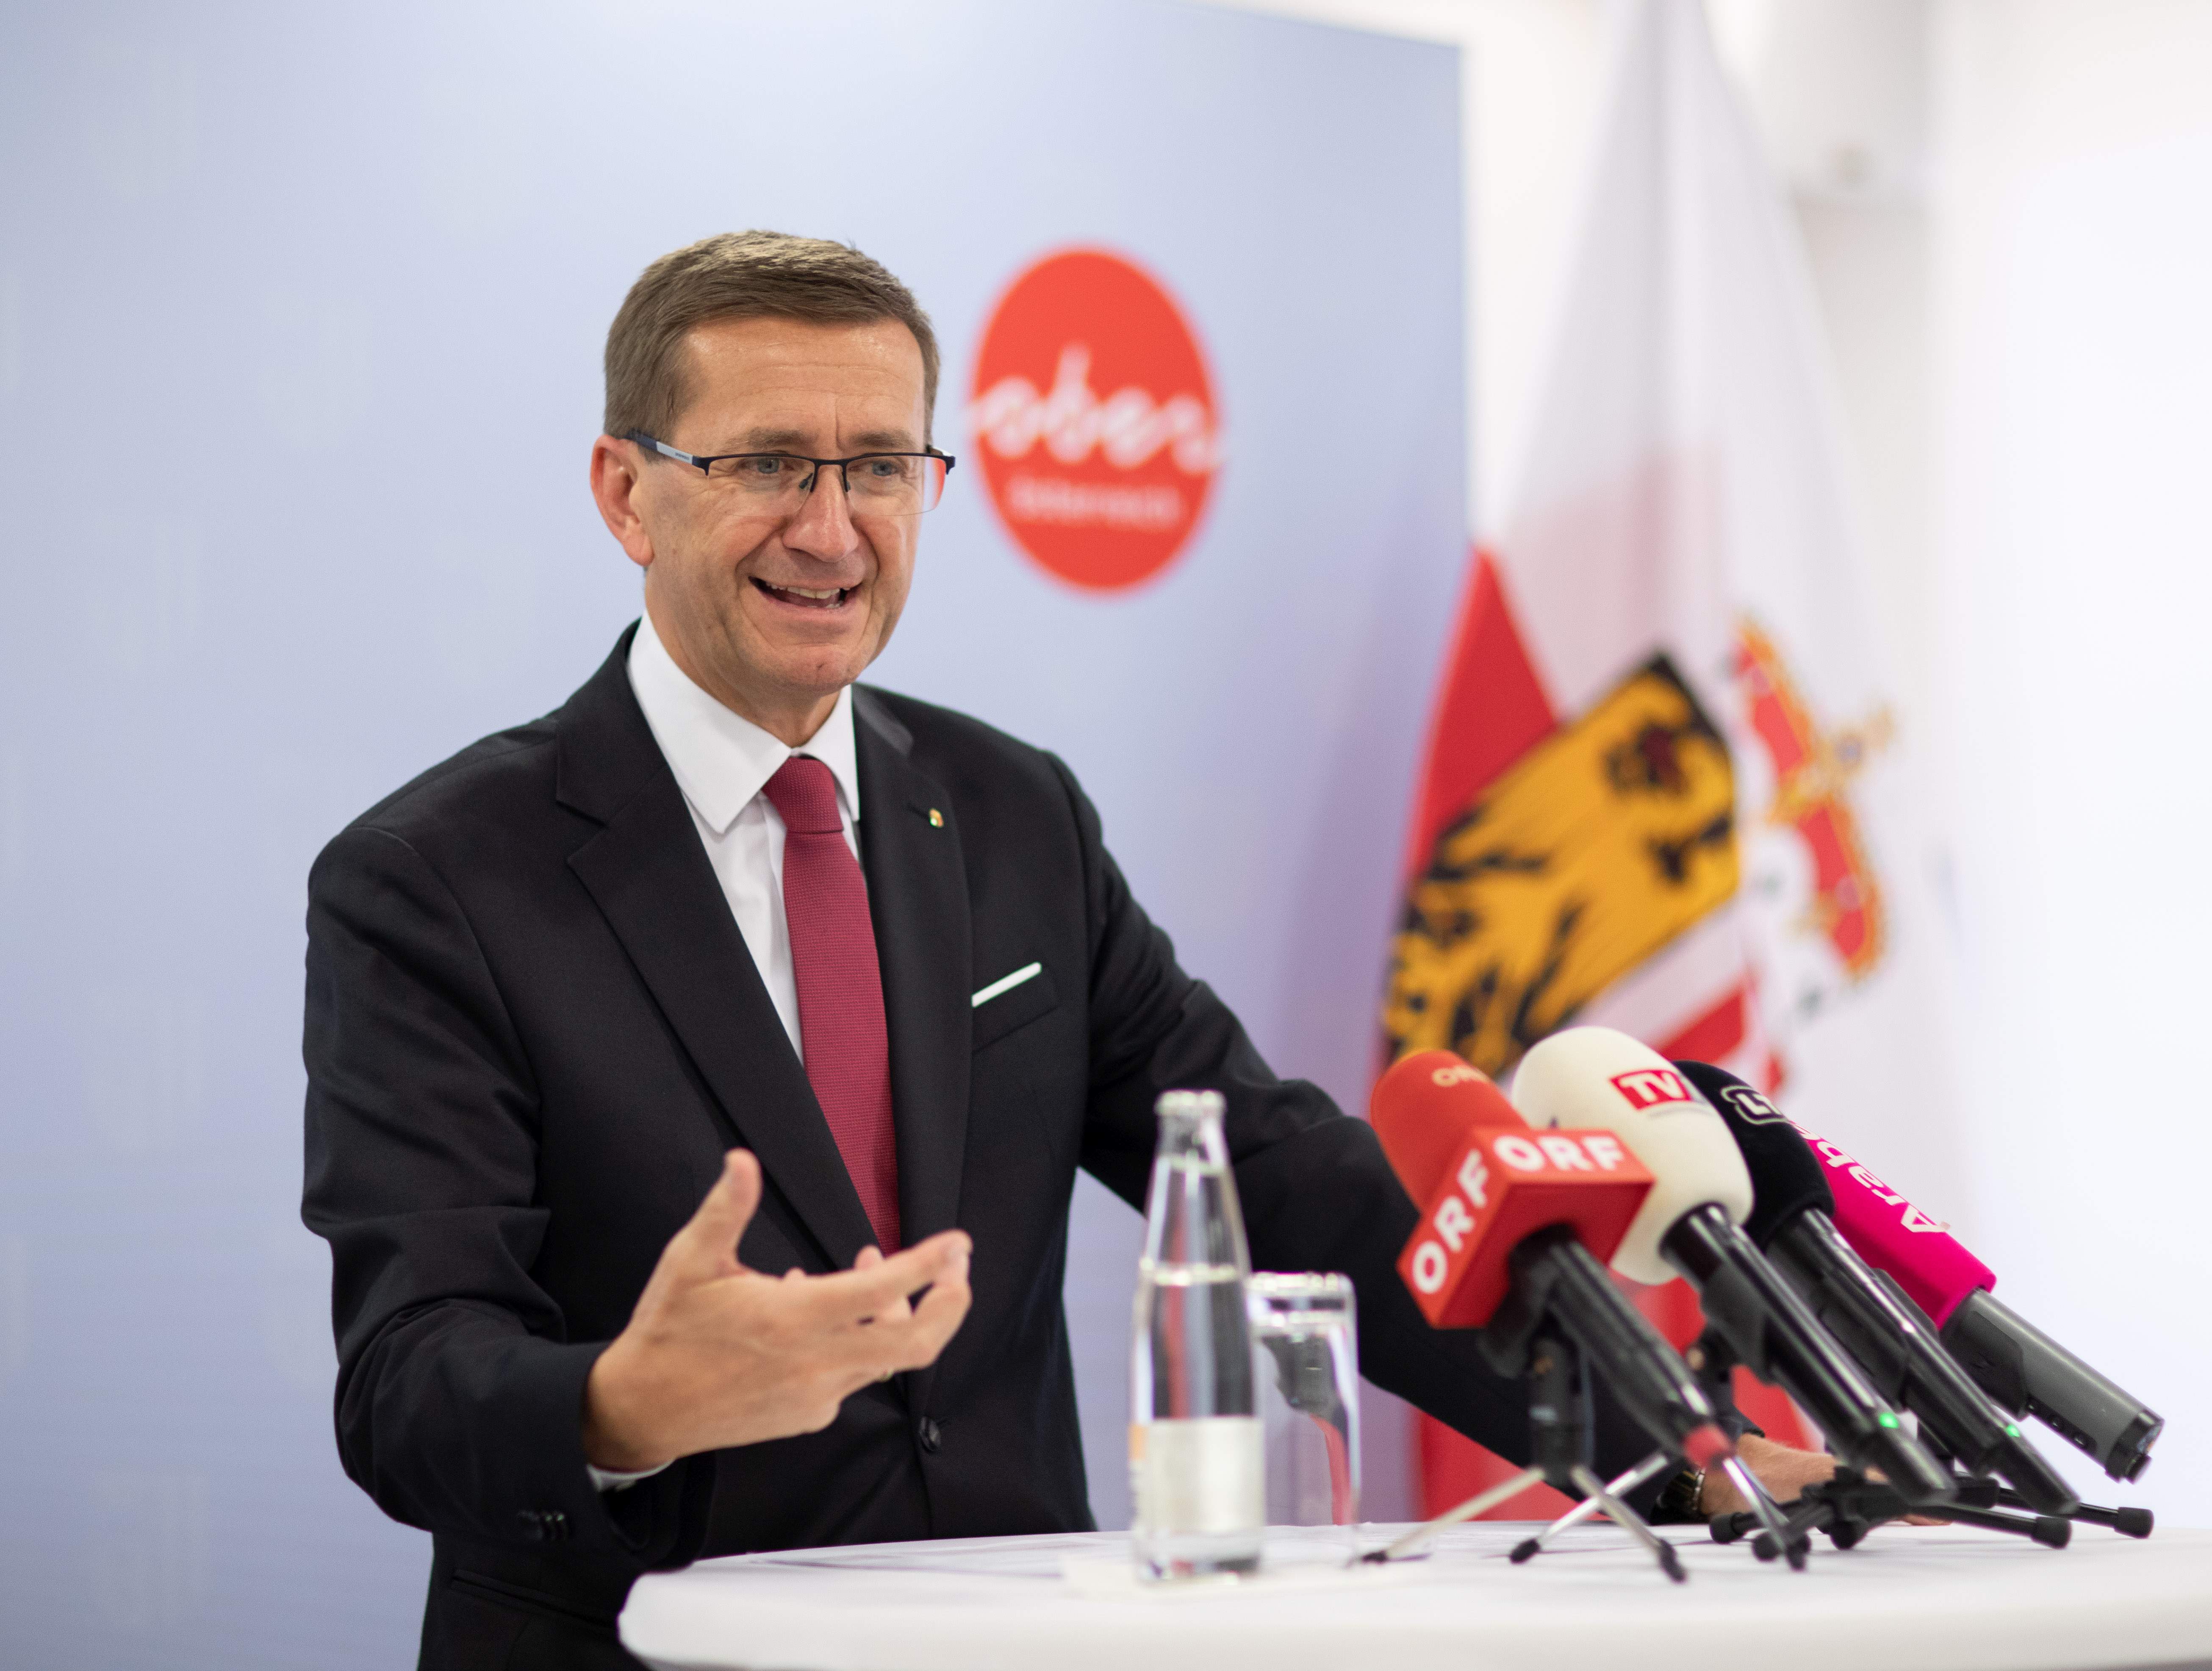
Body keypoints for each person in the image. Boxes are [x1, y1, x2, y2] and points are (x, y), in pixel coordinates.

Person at [301, 230, 1835, 1670]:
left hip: (1009, 1638)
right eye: (765, 463)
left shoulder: (1011, 813)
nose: (829, 529)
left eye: (880, 467)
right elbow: (406, 1379)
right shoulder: (435, 878)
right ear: (627, 493)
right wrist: (624, 1403)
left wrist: (1669, 1446)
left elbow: (1283, 1176)